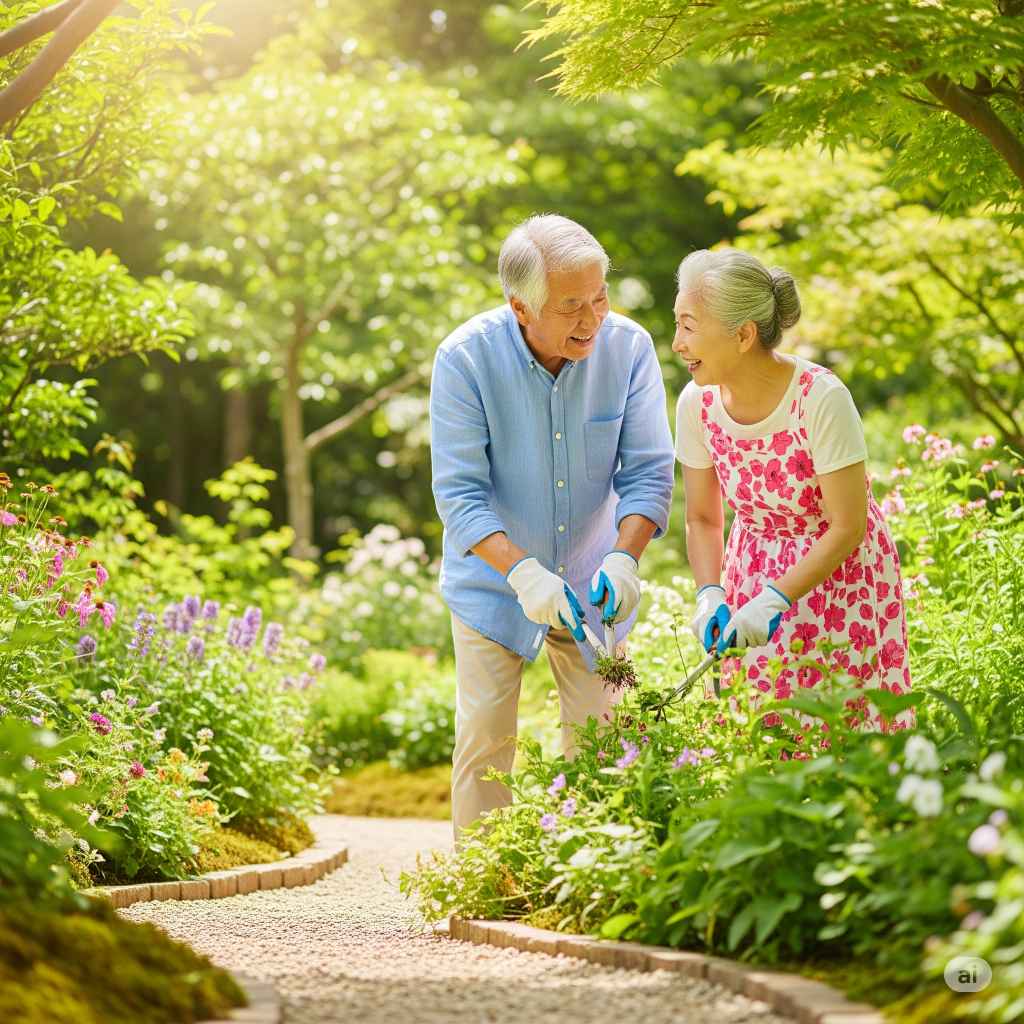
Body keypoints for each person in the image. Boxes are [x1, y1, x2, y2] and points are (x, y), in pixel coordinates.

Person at [430, 214, 674, 840]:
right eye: (571, 307)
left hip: (596, 580)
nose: (592, 320)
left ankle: (591, 872)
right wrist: (523, 572)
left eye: (600, 297)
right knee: (487, 737)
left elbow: (648, 473)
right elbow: (460, 494)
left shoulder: (628, 349)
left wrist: (623, 560)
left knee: (605, 738)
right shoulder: (464, 359)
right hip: (494, 583)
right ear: (520, 306)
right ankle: (483, 888)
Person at [673, 248, 913, 741]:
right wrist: (710, 592)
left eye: (689, 326)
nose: (677, 343)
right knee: (762, 733)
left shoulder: (820, 398)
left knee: (846, 730)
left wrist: (776, 598)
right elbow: (702, 518)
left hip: (839, 578)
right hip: (751, 572)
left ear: (743, 335)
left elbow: (849, 525)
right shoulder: (696, 403)